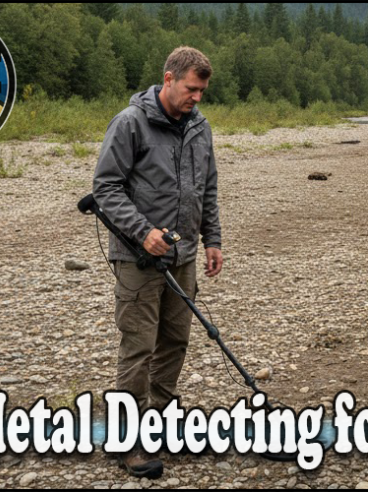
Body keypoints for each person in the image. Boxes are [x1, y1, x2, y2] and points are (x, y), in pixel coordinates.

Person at [92, 46, 222, 479]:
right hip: (138, 258)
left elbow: (207, 189)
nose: (196, 98)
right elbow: (105, 188)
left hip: (183, 255)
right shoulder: (130, 123)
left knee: (175, 342)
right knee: (139, 347)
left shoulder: (199, 127)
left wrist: (212, 240)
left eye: (202, 91)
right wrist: (142, 230)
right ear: (169, 79)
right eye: (191, 89)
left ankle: (159, 421)